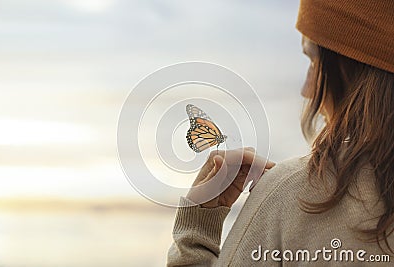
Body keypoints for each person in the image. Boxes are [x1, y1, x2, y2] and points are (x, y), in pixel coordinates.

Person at [167, 0, 394, 265]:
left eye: (314, 61)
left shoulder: (297, 196)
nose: (306, 91)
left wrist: (195, 232)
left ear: (350, 67)